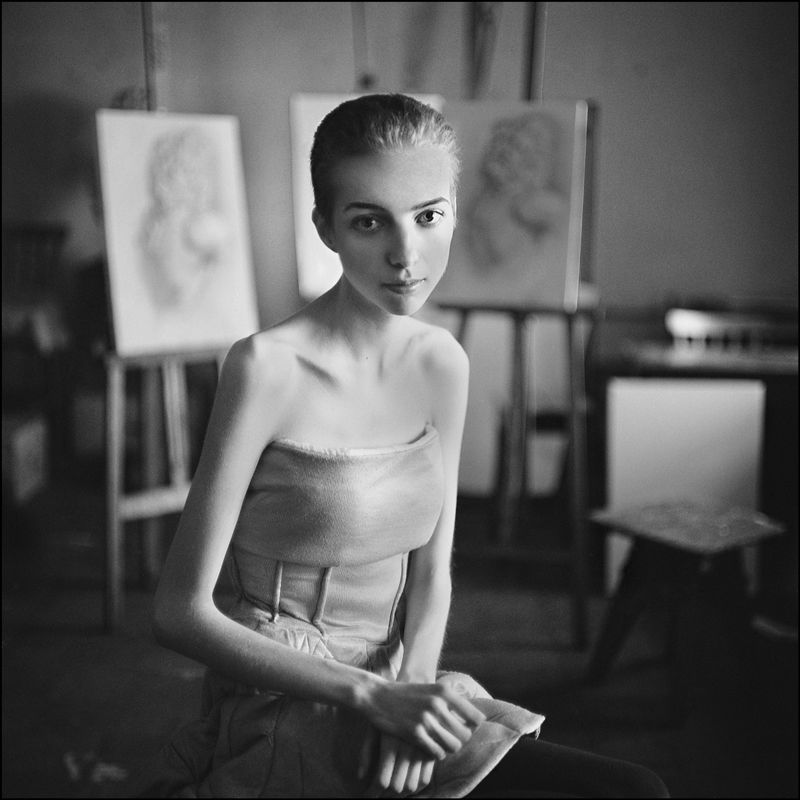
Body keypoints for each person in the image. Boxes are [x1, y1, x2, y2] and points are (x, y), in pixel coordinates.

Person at [135, 93, 669, 798]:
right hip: (286, 705)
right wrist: (370, 698)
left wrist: (412, 695)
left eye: (428, 216)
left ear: (453, 211)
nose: (405, 254)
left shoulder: (442, 362)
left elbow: (432, 573)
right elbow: (179, 613)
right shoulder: (265, 368)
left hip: (401, 689)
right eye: (369, 221)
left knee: (636, 791)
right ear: (325, 227)